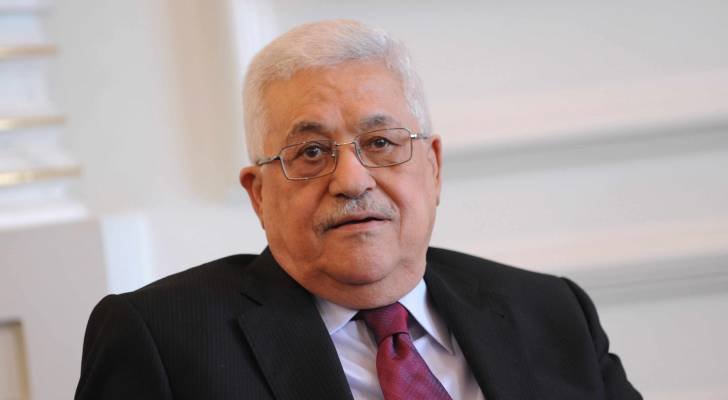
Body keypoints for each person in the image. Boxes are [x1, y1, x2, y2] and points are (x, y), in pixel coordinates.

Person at [75, 20, 642, 400]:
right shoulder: (163, 342)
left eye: (381, 143)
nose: (351, 180)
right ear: (259, 194)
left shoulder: (550, 311)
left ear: (433, 166)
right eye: (311, 152)